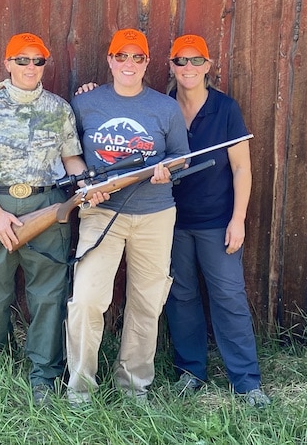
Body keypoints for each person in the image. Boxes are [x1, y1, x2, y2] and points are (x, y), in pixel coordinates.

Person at [0, 32, 102, 406]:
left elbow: (71, 158)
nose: (30, 67)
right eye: (22, 60)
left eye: (38, 61)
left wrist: (88, 183)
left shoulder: (59, 108)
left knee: (48, 294)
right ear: (8, 64)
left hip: (47, 206)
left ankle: (44, 374)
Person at [65, 28, 190, 406]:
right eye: (122, 56)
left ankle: (134, 387)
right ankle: (80, 389)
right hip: (101, 212)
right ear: (110, 61)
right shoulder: (85, 103)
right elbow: (69, 152)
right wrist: (87, 185)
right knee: (87, 298)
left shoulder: (165, 108)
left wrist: (168, 170)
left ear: (147, 63)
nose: (129, 64)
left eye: (137, 57)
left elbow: (181, 157)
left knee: (147, 301)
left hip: (154, 214)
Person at [163, 34, 269, 407]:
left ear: (208, 67)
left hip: (215, 221)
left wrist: (237, 219)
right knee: (181, 296)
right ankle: (191, 372)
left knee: (228, 296)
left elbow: (241, 168)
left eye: (196, 61)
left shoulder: (225, 109)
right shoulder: (162, 107)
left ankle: (246, 381)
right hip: (170, 222)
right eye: (181, 61)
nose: (188, 68)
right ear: (171, 67)